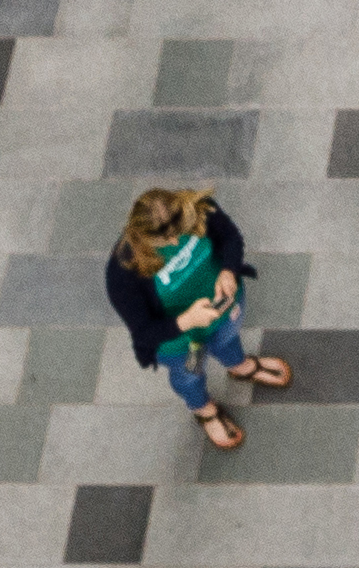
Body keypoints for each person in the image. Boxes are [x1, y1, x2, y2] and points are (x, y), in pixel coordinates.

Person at [101, 183, 293, 450]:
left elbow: (230, 238)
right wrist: (186, 322)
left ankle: (239, 367)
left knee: (228, 341)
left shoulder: (200, 209)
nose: (175, 242)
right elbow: (143, 332)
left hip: (224, 312)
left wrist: (228, 270)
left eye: (178, 232)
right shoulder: (123, 270)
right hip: (180, 343)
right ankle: (203, 409)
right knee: (190, 374)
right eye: (163, 240)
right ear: (140, 234)